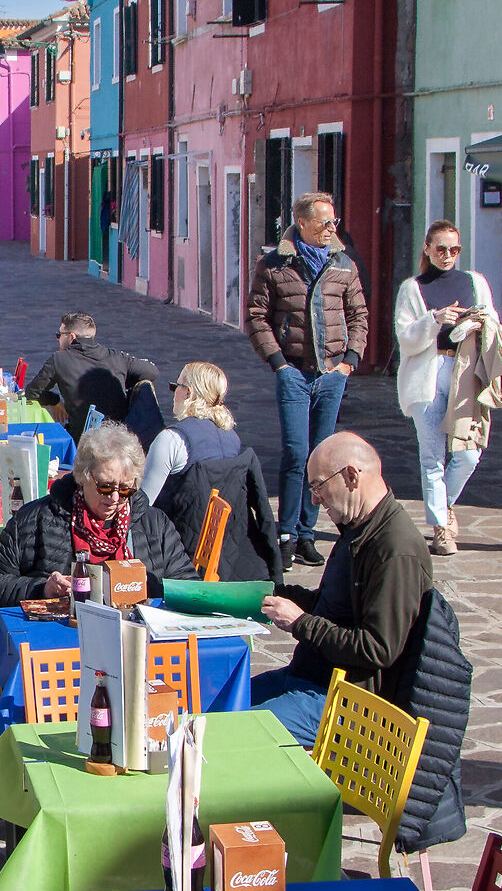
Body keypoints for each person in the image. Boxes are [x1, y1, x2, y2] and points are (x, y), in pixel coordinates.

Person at [249, 432, 432, 747]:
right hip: (311, 678)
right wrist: (273, 593)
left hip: (347, 700)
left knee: (237, 733)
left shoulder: (394, 547)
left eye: (318, 486)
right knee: (215, 707)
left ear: (351, 476)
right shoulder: (358, 529)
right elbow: (331, 606)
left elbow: (378, 648)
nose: (315, 499)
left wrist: (300, 623)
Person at [248, 192, 368, 567]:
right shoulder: (275, 265)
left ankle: (307, 533)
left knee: (323, 457)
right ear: (302, 223)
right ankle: (286, 534)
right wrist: (279, 363)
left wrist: (349, 361)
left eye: (334, 221)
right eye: (325, 222)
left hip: (332, 374)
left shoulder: (343, 265)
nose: (332, 228)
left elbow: (358, 315)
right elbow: (256, 316)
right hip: (294, 374)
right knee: (296, 454)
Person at [0, 426, 197, 611]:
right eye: (105, 486)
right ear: (83, 477)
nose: (114, 498)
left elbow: (189, 586)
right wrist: (42, 589)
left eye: (126, 490)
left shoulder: (154, 524)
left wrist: (153, 589)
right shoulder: (38, 519)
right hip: (60, 645)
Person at [392, 221, 502, 555]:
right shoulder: (414, 288)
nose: (448, 256)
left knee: (469, 453)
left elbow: (493, 321)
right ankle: (441, 527)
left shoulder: (474, 282)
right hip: (427, 372)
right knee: (432, 457)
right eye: (441, 249)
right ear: (427, 249)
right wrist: (436, 320)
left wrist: (478, 321)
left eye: (454, 250)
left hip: (465, 371)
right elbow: (406, 338)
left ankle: (445, 504)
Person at [25, 311, 159, 437]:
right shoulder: (117, 357)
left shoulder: (59, 359)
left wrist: (54, 401)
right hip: (119, 438)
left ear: (71, 337)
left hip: (82, 441)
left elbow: (32, 392)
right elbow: (152, 371)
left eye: (59, 335)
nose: (58, 339)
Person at [141, 362, 242, 502]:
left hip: (173, 522)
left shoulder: (172, 440)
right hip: (221, 522)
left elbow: (144, 502)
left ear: (188, 392)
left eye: (175, 386)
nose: (173, 392)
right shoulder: (233, 438)